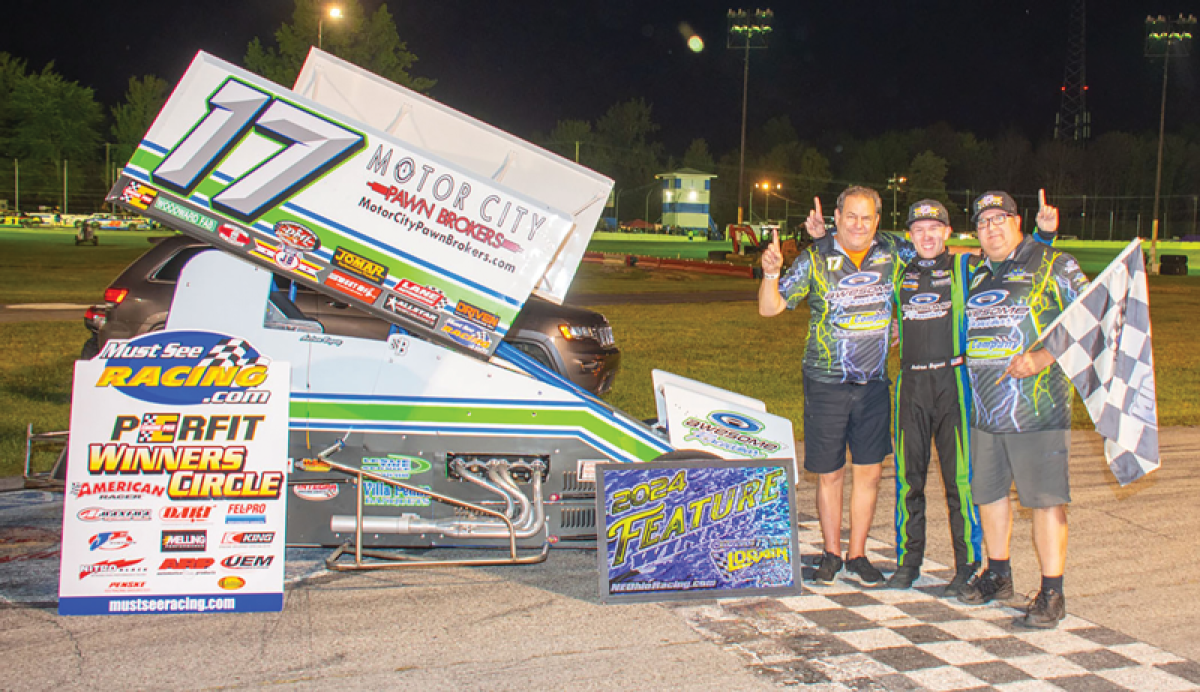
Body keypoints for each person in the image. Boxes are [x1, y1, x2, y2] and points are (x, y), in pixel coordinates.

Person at [883, 197, 1058, 595]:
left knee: (960, 480)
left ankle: (967, 566)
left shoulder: (965, 267)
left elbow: (1013, 258)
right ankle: (908, 563)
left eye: (934, 228)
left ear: (947, 232)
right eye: (918, 229)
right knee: (907, 481)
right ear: (910, 236)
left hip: (954, 382)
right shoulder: (899, 271)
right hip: (910, 384)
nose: (926, 236)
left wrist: (1044, 236)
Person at [759, 185, 912, 586]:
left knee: (870, 473)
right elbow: (769, 306)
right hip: (826, 382)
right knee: (830, 473)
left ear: (878, 220)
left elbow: (936, 267)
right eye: (851, 217)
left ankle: (857, 553)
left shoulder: (894, 252)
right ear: (837, 219)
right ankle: (830, 553)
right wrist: (771, 273)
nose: (858, 224)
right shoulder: (815, 258)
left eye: (867, 217)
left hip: (875, 382)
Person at [958, 190, 1089, 629]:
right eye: (983, 222)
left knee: (1045, 500)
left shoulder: (1052, 261)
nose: (991, 227)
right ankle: (998, 572)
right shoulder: (979, 273)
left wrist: (1042, 357)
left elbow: (1091, 313)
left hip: (1037, 410)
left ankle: (1053, 591)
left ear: (1018, 222)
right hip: (985, 410)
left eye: (1000, 219)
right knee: (990, 496)